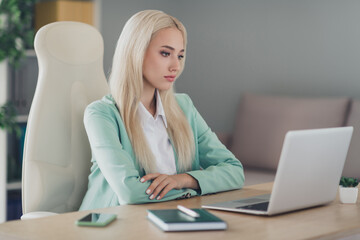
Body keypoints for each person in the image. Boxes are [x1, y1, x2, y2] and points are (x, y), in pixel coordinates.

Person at [79, 9, 244, 210]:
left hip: (172, 221)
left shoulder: (183, 106)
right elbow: (130, 192)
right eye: (166, 53)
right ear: (135, 52)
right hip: (114, 226)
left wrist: (183, 180)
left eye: (180, 55)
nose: (176, 65)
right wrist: (193, 191)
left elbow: (234, 172)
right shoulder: (101, 115)